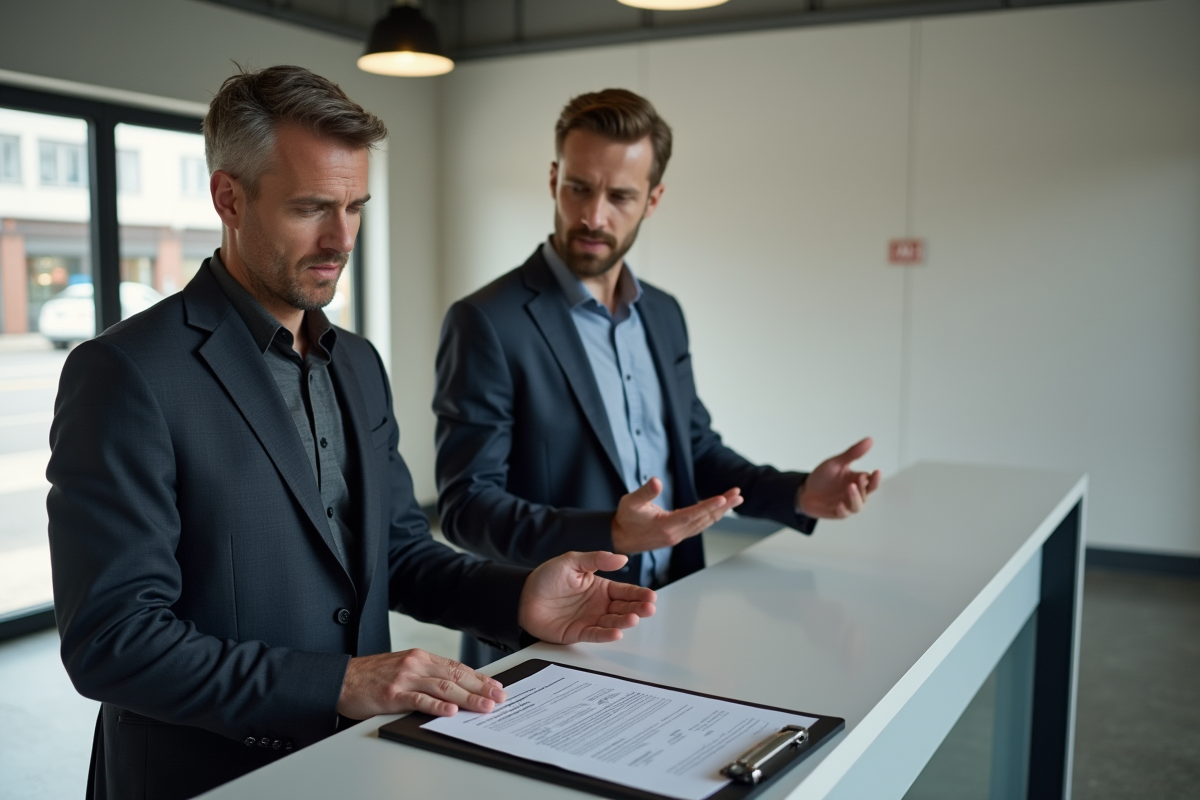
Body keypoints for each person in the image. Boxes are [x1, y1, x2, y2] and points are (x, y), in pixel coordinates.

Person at [46, 67, 655, 800]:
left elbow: (397, 552)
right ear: (228, 198)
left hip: (354, 767)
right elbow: (113, 643)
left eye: (355, 207)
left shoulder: (358, 364)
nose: (341, 239)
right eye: (311, 208)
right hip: (202, 780)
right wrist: (340, 681)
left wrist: (519, 597)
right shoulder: (124, 372)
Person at [434, 89, 881, 668]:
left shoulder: (663, 314)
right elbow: (468, 509)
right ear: (553, 179)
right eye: (578, 188)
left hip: (673, 613)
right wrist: (611, 532)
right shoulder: (487, 322)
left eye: (620, 195)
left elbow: (694, 454)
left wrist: (795, 493)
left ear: (653, 198)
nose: (594, 216)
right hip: (550, 635)